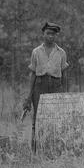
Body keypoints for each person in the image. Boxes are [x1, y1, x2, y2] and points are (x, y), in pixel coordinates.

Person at [23, 22, 69, 152]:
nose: (50, 36)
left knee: (56, 118)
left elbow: (64, 74)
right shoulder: (36, 52)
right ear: (43, 34)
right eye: (48, 33)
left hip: (56, 86)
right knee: (38, 118)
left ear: (56, 36)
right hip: (39, 85)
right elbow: (32, 74)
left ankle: (55, 149)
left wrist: (64, 94)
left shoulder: (61, 52)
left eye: (53, 34)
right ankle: (36, 150)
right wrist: (29, 96)